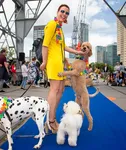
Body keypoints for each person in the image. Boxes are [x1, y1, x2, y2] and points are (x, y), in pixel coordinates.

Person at [40, 4, 87, 133]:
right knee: (54, 90)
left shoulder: (59, 29)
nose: (64, 14)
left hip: (60, 63)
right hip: (53, 63)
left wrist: (79, 53)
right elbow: (45, 45)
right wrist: (44, 62)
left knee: (60, 91)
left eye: (67, 13)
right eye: (62, 11)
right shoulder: (52, 24)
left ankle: (53, 118)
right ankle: (50, 121)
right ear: (57, 11)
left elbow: (64, 47)